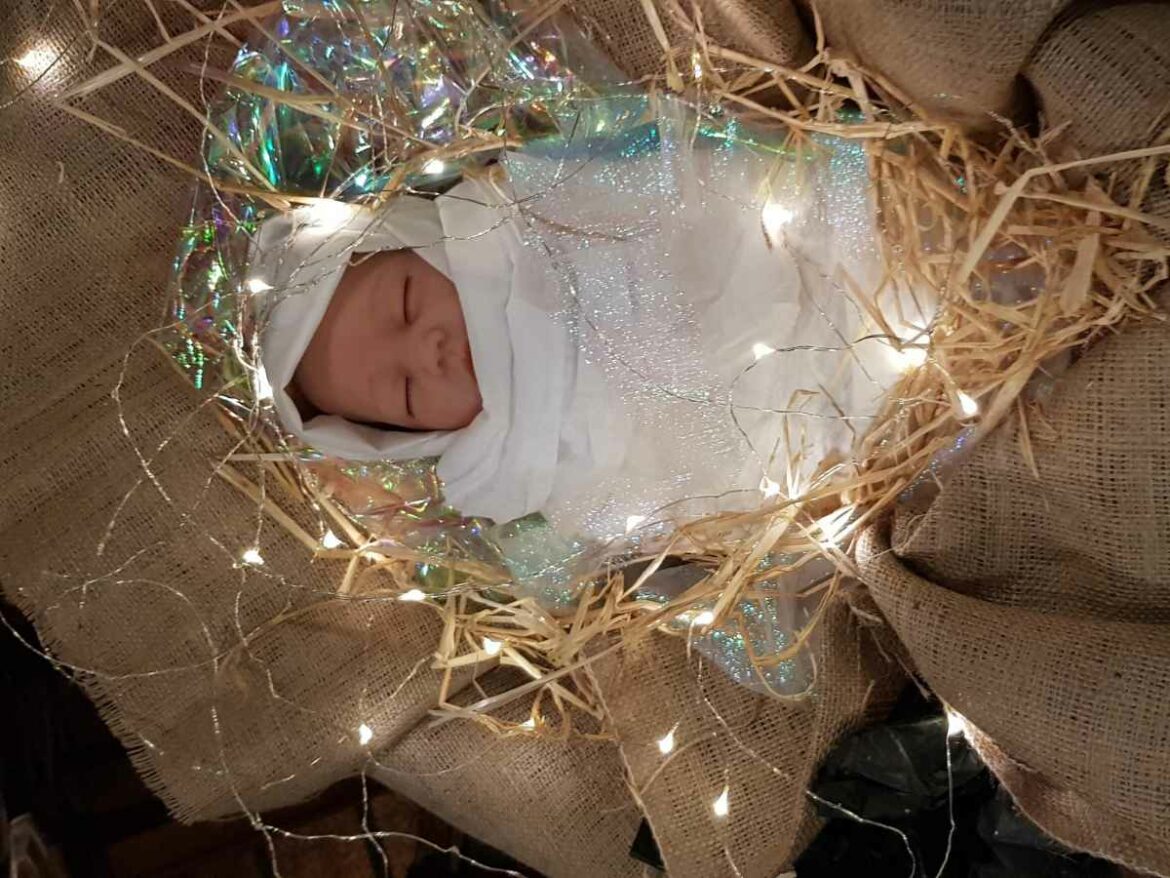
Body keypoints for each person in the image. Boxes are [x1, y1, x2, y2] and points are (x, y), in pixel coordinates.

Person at [252, 99, 930, 544]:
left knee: (874, 254)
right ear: (413, 438)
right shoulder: (508, 468)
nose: (425, 351)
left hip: (805, 258)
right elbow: (662, 521)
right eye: (403, 392)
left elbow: (690, 181)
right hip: (806, 434)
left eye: (403, 302)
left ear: (411, 235)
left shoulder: (527, 207)